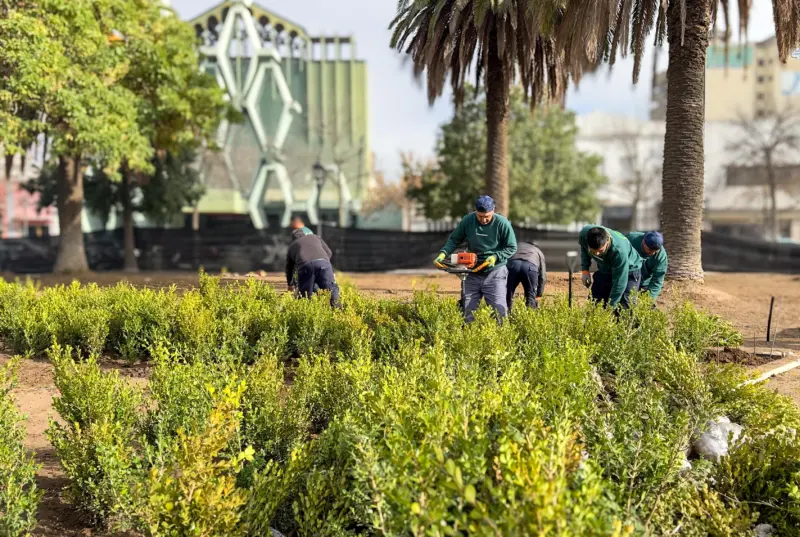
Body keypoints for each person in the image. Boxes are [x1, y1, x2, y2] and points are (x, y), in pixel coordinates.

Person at [435, 195, 517, 322]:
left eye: (487, 217)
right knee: (467, 311)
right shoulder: (468, 220)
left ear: (493, 210)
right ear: (475, 212)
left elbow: (512, 247)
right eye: (480, 216)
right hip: (472, 272)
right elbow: (454, 239)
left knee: (499, 313)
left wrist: (495, 257)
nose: (483, 220)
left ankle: (501, 333)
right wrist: (443, 254)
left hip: (495, 272)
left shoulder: (502, 223)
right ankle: (468, 332)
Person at [578, 225, 643, 310]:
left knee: (624, 306)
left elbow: (620, 281)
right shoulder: (584, 235)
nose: (597, 254)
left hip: (629, 270)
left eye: (600, 250)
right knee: (596, 301)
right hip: (606, 268)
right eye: (593, 251)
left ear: (607, 241)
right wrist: (585, 270)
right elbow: (584, 247)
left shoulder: (619, 252)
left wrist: (611, 306)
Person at [285, 229, 340, 308]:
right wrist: (323, 263)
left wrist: (290, 284)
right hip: (323, 264)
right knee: (331, 288)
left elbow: (289, 268)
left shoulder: (292, 246)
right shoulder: (315, 237)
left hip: (305, 266)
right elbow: (329, 252)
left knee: (305, 294)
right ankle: (338, 310)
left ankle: (307, 312)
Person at [626, 230, 668, 303]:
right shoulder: (630, 240)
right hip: (626, 278)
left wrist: (648, 300)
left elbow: (657, 280)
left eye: (655, 251)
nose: (652, 253)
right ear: (643, 242)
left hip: (644, 283)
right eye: (650, 250)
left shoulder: (661, 256)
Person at [506, 240, 546, 311]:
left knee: (507, 294)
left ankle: (505, 314)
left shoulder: (517, 246)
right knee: (530, 297)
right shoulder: (538, 251)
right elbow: (542, 276)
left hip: (513, 266)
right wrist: (538, 294)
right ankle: (529, 314)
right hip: (530, 268)